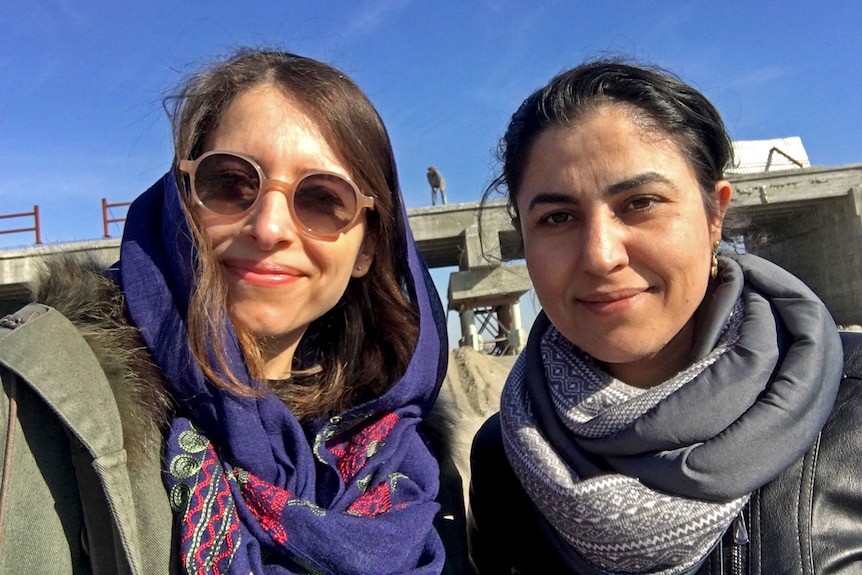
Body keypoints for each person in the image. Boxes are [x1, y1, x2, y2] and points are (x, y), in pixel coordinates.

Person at [0, 49, 461, 574]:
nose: (269, 228)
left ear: (367, 249)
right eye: (231, 183)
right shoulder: (41, 400)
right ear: (182, 202)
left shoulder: (411, 457)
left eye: (322, 199)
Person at [468, 59, 862, 574]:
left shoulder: (852, 403)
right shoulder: (505, 458)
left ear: (714, 214)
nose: (600, 255)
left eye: (640, 202)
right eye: (557, 218)